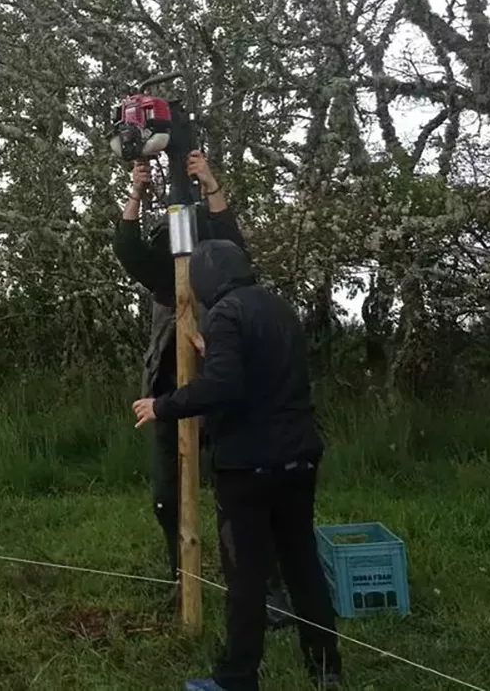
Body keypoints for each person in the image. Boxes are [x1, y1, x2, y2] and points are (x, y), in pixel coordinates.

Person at [133, 239, 341, 691]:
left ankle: (235, 679)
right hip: (300, 458)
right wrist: (213, 348)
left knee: (244, 579)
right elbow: (262, 370)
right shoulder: (278, 308)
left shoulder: (225, 313)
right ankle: (326, 670)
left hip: (249, 467)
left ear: (207, 280)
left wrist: (162, 405)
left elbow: (223, 386)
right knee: (302, 565)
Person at [113, 151, 293, 625]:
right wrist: (136, 190)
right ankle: (182, 579)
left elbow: (231, 235)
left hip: (224, 401)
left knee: (246, 497)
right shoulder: (159, 275)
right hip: (169, 401)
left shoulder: (226, 276)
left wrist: (209, 181)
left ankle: (270, 592)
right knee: (166, 498)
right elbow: (127, 247)